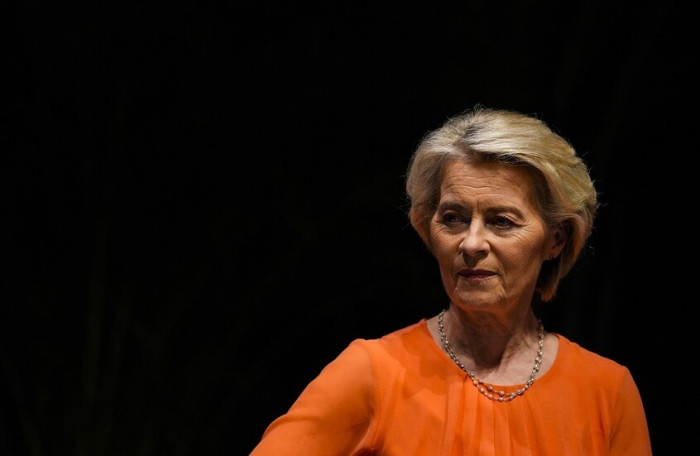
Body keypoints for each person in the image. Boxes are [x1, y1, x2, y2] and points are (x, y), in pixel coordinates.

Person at [249, 106, 652, 455]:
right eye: (453, 218)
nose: (471, 243)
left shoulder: (606, 392)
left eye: (501, 221)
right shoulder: (372, 374)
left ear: (556, 239)